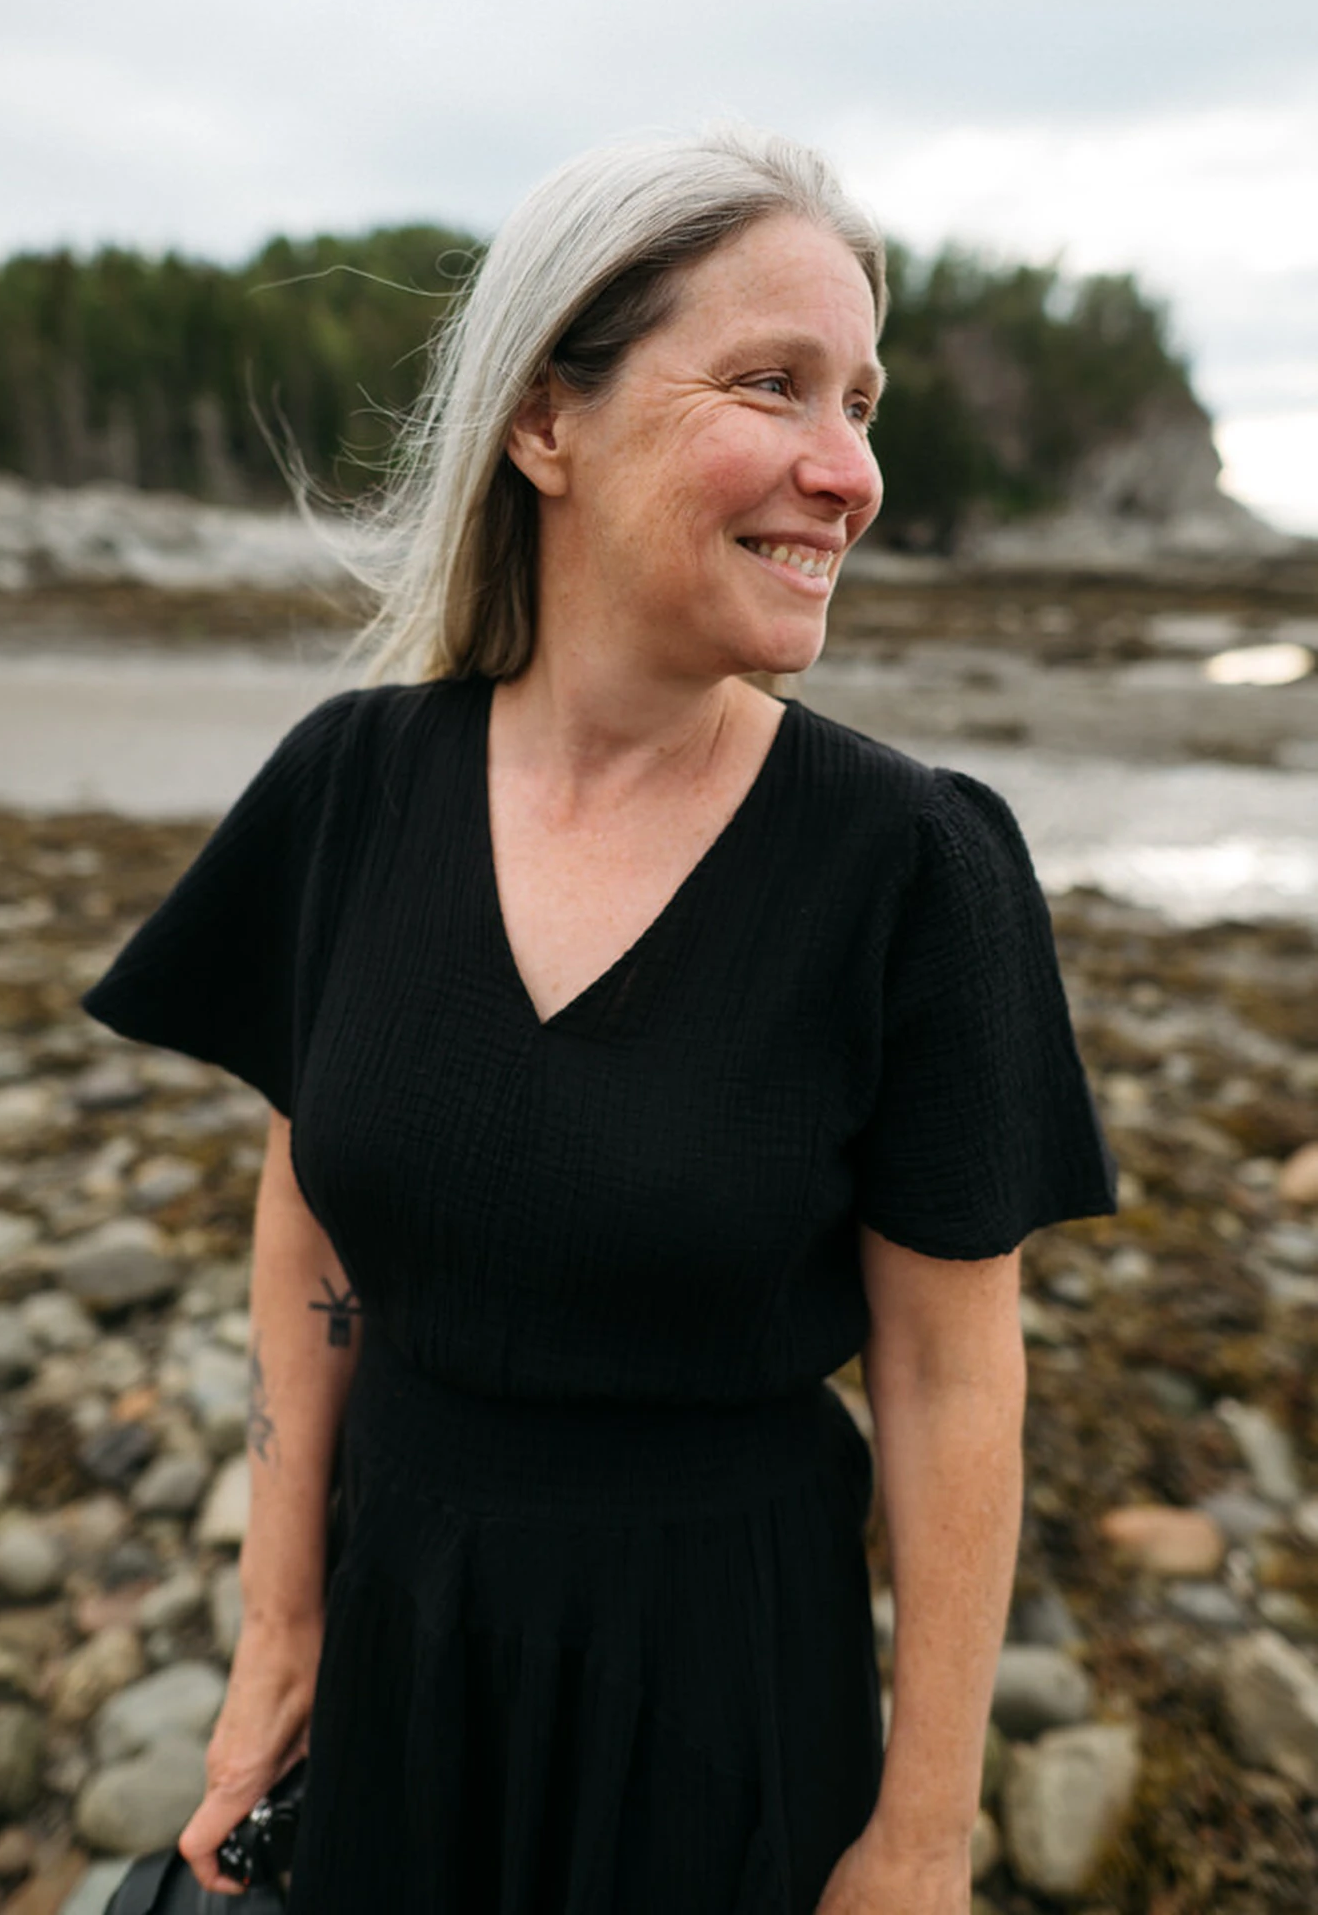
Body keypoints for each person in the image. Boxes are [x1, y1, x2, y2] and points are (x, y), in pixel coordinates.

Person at [80, 126, 1118, 1915]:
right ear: (543, 423)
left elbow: (952, 1379)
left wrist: (925, 1837)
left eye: (860, 402)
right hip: (398, 1630)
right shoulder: (355, 788)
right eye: (774, 385)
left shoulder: (913, 866)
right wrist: (277, 1627)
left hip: (714, 1686)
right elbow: (307, 1214)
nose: (847, 471)